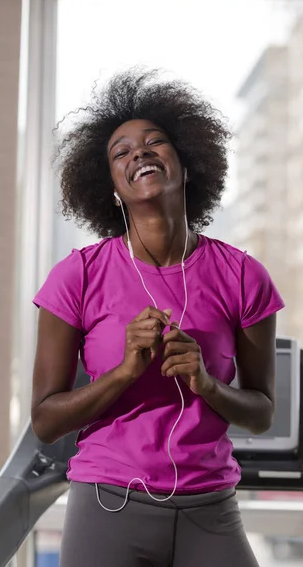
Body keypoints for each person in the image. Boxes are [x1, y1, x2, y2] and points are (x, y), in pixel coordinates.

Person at [31, 69, 285, 567]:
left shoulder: (243, 275)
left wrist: (207, 384)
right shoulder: (77, 276)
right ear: (110, 188)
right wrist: (126, 371)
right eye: (120, 153)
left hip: (210, 507)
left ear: (187, 166)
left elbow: (261, 414)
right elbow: (45, 421)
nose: (139, 154)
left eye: (155, 143)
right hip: (108, 503)